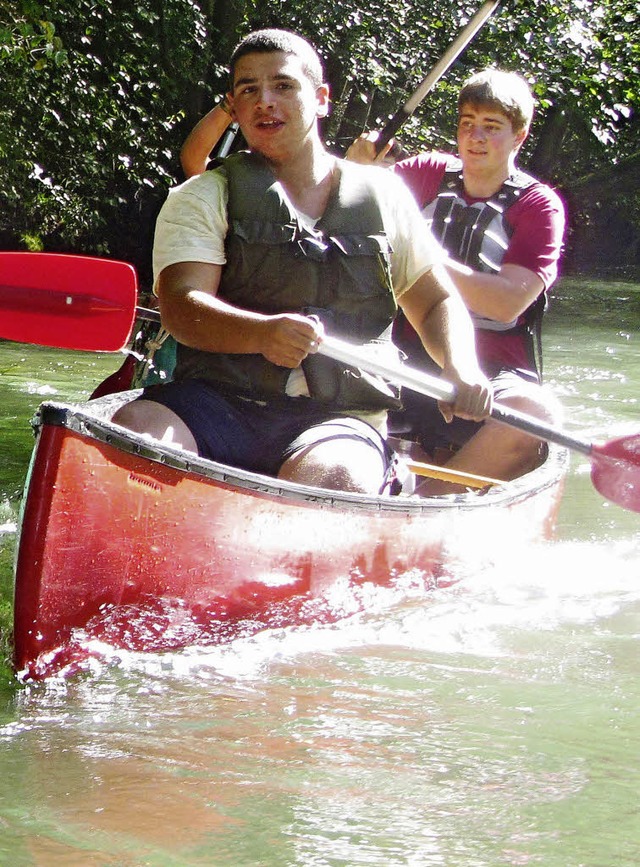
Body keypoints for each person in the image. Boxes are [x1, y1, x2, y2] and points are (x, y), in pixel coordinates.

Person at [113, 28, 492, 495]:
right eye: (248, 89)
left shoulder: (386, 196)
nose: (264, 101)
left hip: (339, 418)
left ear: (322, 99)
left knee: (333, 479)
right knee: (136, 435)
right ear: (234, 105)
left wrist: (461, 367)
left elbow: (434, 300)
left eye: (283, 86)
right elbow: (181, 305)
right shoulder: (202, 196)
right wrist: (261, 334)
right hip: (214, 402)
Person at [346, 69, 566, 493]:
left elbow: (506, 304)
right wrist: (357, 171)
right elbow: (349, 200)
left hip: (492, 371)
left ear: (519, 136)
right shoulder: (427, 173)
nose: (476, 137)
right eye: (467, 124)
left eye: (491, 127)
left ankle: (429, 502)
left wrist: (421, 252)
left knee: (536, 413)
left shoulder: (538, 206)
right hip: (402, 356)